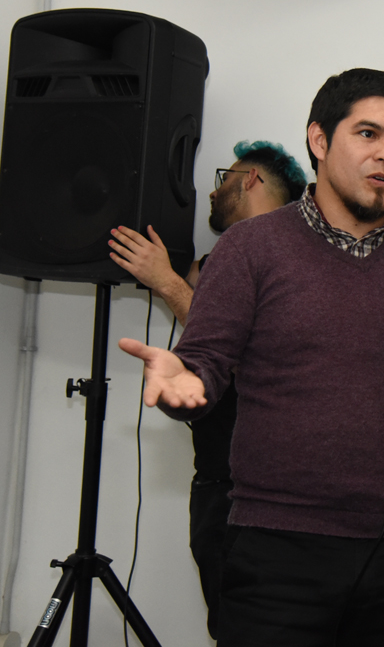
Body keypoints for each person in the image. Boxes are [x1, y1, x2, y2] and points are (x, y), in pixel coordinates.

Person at [118, 68, 384, 647]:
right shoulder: (251, 247)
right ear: (319, 140)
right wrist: (181, 384)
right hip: (276, 548)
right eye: (368, 134)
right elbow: (203, 368)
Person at [107, 139, 307, 641]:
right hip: (219, 484)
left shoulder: (295, 259)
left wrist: (168, 284)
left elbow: (245, 354)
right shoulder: (216, 262)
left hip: (259, 495)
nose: (214, 193)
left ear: (251, 179)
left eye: (225, 178)